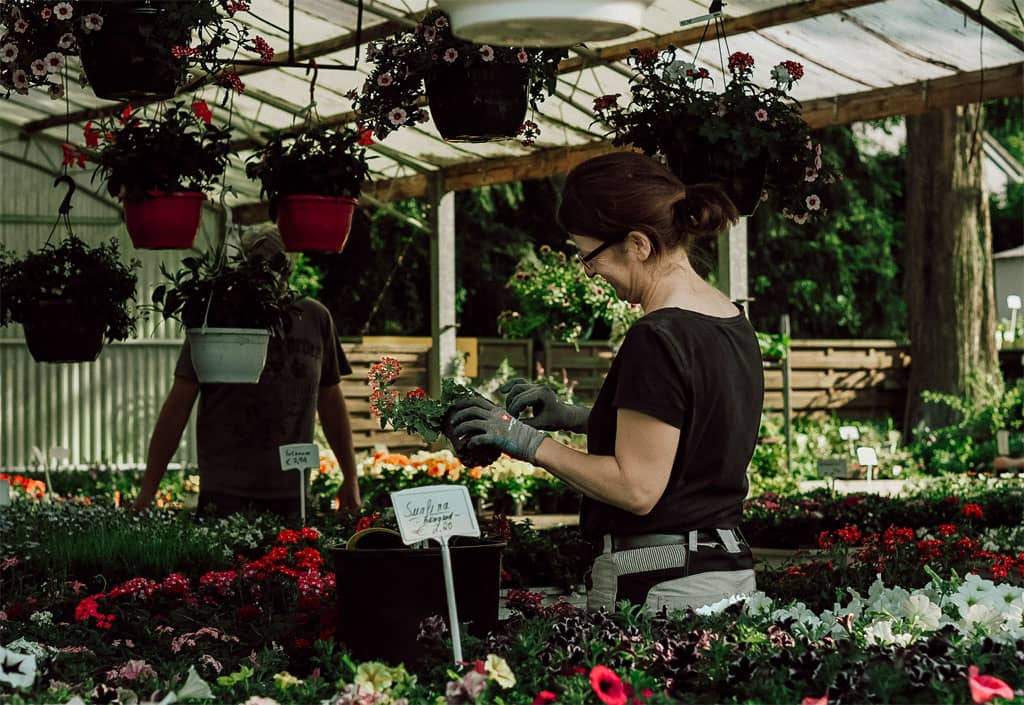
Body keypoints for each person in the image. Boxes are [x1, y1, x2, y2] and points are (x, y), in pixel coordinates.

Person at [448, 152, 764, 612]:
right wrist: (577, 418)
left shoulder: (657, 336)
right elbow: (691, 434)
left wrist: (525, 441)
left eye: (587, 256)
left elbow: (636, 488)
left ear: (637, 243)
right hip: (723, 572)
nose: (590, 271)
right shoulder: (731, 320)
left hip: (662, 586)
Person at [135, 227, 361, 517]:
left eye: (273, 263)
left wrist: (350, 477)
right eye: (256, 263)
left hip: (292, 492)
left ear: (288, 266)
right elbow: (177, 406)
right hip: (226, 492)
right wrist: (148, 490)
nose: (266, 273)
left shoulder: (315, 318)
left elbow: (330, 400)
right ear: (241, 267)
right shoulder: (216, 317)